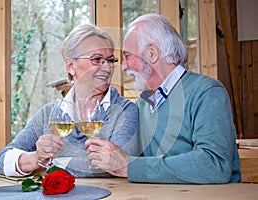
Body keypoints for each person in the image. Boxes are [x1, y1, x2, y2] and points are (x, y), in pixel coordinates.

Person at [85, 14, 241, 184]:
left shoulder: (207, 92)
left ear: (152, 54)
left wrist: (130, 167)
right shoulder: (142, 104)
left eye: (128, 56)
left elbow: (215, 165)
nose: (122, 66)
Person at [0, 24, 138, 177]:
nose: (107, 67)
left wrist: (48, 165)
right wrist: (36, 158)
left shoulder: (125, 110)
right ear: (70, 66)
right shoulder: (49, 113)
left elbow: (114, 167)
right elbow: (0, 161)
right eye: (97, 59)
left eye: (110, 60)